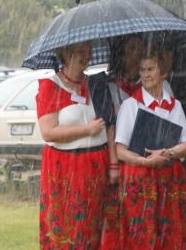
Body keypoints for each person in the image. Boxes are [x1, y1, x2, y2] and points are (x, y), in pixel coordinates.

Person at [36, 41, 119, 249]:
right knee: (67, 227)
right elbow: (48, 132)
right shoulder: (51, 86)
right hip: (65, 168)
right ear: (65, 54)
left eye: (89, 51)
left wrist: (113, 163)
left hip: (97, 165)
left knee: (96, 225)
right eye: (81, 52)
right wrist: (86, 130)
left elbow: (109, 125)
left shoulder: (96, 84)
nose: (87, 56)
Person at [114, 43, 186, 249]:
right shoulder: (130, 105)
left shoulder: (175, 105)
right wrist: (145, 161)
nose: (145, 75)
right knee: (141, 236)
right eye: (142, 69)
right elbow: (120, 151)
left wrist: (169, 152)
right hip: (140, 182)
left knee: (172, 235)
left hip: (170, 180)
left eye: (151, 69)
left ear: (163, 71)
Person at [100, 35, 174, 250]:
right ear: (121, 55)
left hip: (155, 161)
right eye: (132, 48)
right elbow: (108, 126)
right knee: (125, 223)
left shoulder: (160, 83)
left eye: (141, 48)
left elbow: (170, 119)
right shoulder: (111, 87)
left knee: (157, 222)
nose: (138, 53)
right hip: (123, 164)